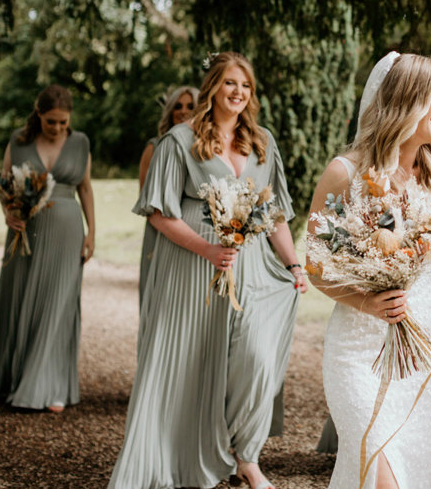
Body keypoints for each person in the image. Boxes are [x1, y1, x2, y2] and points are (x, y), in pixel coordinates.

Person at [109, 52, 306, 489]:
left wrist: (294, 264)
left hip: (251, 266)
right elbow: (158, 212)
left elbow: (274, 214)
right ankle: (187, 457)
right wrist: (207, 249)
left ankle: (246, 453)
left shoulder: (262, 143)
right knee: (192, 359)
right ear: (213, 87)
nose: (238, 93)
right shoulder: (178, 141)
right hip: (193, 267)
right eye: (230, 84)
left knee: (256, 357)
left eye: (246, 86)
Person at [308, 53, 431, 489]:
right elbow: (317, 267)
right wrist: (368, 302)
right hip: (359, 350)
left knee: (417, 475)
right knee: (378, 474)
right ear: (405, 100)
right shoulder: (346, 173)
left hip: (427, 351)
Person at [0, 84, 96, 413]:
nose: (57, 128)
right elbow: (4, 183)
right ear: (38, 114)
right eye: (51, 121)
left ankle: (50, 384)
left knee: (58, 304)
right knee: (19, 299)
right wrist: (8, 214)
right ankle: (12, 379)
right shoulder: (19, 140)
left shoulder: (81, 142)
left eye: (63, 122)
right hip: (26, 231)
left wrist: (92, 233)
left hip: (67, 231)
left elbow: (85, 187)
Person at [136, 85, 198, 308]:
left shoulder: (206, 149)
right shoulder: (154, 147)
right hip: (160, 230)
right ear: (170, 111)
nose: (183, 111)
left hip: (196, 230)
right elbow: (146, 201)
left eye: (190, 106)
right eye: (178, 106)